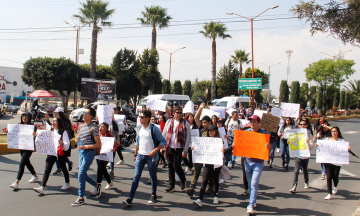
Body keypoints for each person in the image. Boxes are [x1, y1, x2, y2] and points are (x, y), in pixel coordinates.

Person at [123, 110, 166, 206]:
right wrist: (135, 154)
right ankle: (130, 198)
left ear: (147, 118)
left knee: (153, 176)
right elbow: (137, 142)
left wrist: (155, 151)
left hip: (151, 157)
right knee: (136, 177)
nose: (140, 118)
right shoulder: (138, 127)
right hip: (140, 156)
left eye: (142, 117)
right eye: (140, 117)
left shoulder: (153, 129)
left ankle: (154, 195)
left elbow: (163, 141)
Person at [71, 107, 101, 206]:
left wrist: (86, 146)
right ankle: (97, 185)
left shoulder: (94, 127)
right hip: (81, 152)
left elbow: (98, 144)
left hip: (89, 153)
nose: (83, 114)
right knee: (82, 174)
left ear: (91, 116)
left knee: (81, 174)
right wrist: (77, 140)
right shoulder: (81, 126)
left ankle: (81, 197)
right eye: (83, 113)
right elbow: (79, 137)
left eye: (86, 113)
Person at [33, 117, 71, 195]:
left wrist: (62, 143)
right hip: (51, 153)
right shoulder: (50, 131)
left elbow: (67, 145)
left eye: (55, 121)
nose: (53, 123)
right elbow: (43, 137)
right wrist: (37, 135)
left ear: (59, 123)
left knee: (63, 167)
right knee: (47, 169)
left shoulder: (63, 132)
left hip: (60, 153)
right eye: (52, 121)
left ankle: (67, 183)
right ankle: (42, 187)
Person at [193, 124, 225, 207]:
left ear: (216, 131)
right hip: (207, 162)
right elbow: (199, 149)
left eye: (212, 130)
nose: (211, 132)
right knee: (204, 180)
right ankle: (200, 199)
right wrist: (194, 148)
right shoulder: (204, 140)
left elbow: (226, 149)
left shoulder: (219, 140)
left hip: (216, 163)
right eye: (209, 131)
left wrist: (223, 150)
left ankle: (215, 196)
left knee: (215, 179)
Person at [244, 115, 271, 214]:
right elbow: (240, 143)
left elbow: (269, 146)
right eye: (251, 122)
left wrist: (268, 146)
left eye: (255, 122)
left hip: (258, 163)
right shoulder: (246, 133)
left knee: (254, 183)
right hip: (247, 161)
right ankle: (253, 200)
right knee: (250, 183)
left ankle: (250, 204)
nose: (252, 124)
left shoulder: (263, 134)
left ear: (259, 123)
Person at [162, 105, 191, 193]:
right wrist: (162, 147)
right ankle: (171, 185)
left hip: (179, 147)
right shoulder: (169, 122)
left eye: (180, 113)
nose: (179, 114)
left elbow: (188, 137)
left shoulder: (185, 123)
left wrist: (185, 151)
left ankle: (183, 179)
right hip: (169, 147)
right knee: (170, 165)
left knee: (177, 165)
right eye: (177, 113)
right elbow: (164, 134)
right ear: (173, 113)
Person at [187, 104, 213, 197]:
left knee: (209, 172)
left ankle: (211, 187)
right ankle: (192, 188)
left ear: (210, 122)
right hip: (201, 154)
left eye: (206, 122)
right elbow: (196, 118)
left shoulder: (213, 130)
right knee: (196, 171)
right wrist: (200, 109)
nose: (204, 124)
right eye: (203, 122)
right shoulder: (201, 129)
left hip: (209, 155)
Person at [318, 126, 350, 200]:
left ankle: (335, 186)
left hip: (337, 162)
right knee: (328, 177)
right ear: (331, 132)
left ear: (338, 132)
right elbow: (321, 146)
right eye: (332, 131)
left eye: (335, 131)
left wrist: (348, 148)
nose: (334, 133)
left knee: (335, 176)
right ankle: (329, 193)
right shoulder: (327, 140)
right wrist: (318, 145)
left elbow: (345, 149)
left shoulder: (342, 141)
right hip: (328, 161)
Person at [9, 112, 39, 190]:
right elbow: (15, 135)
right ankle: (35, 176)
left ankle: (16, 182)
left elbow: (37, 136)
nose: (24, 118)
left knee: (22, 163)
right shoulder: (19, 126)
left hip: (29, 147)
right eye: (23, 116)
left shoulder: (32, 126)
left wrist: (35, 134)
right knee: (27, 162)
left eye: (26, 116)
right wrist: (9, 133)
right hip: (21, 146)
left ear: (29, 118)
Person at [89, 122, 116, 198]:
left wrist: (113, 149)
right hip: (98, 155)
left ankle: (97, 187)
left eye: (103, 127)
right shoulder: (97, 136)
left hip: (106, 156)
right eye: (100, 127)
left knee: (99, 169)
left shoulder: (110, 136)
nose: (100, 128)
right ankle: (110, 182)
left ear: (107, 129)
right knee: (103, 170)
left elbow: (115, 147)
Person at [45, 107, 74, 175]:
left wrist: (64, 137)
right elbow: (52, 127)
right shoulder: (56, 120)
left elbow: (69, 130)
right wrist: (47, 120)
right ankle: (59, 168)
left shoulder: (66, 120)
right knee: (56, 153)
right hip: (56, 139)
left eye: (57, 113)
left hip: (63, 140)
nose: (55, 114)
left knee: (61, 154)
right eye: (55, 113)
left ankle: (67, 165)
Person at [289, 118, 314, 194]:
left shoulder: (309, 133)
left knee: (305, 169)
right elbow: (293, 141)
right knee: (296, 170)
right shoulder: (296, 132)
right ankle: (294, 185)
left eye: (304, 124)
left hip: (305, 154)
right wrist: (290, 141)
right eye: (301, 124)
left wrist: (308, 143)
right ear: (299, 125)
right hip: (298, 154)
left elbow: (311, 144)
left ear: (307, 125)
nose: (302, 126)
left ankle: (306, 182)